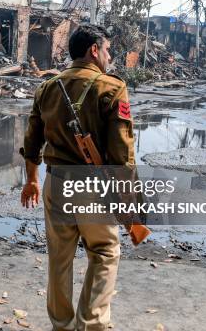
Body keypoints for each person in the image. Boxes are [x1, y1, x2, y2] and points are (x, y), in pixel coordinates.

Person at [20, 25, 135, 330]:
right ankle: (91, 323)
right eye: (107, 49)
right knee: (105, 251)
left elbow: (31, 143)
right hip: (93, 188)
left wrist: (31, 180)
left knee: (59, 258)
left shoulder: (47, 87)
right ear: (93, 50)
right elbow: (122, 154)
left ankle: (62, 325)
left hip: (55, 183)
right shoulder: (111, 88)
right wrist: (129, 200)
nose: (109, 56)